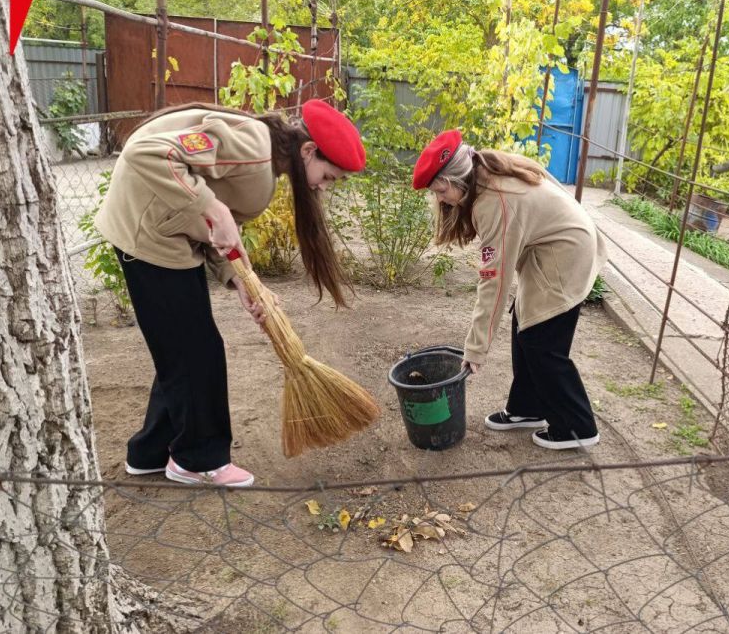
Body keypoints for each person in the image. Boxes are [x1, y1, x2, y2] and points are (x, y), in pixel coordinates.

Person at [94, 100, 365, 486]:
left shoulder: (262, 165)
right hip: (148, 237)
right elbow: (147, 153)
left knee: (182, 348)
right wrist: (213, 209)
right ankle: (198, 459)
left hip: (170, 237)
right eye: (329, 176)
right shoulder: (254, 150)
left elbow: (218, 234)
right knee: (197, 350)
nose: (324, 186)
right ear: (308, 151)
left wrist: (242, 281)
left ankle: (151, 451)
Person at [412, 130, 608, 450]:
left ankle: (576, 426)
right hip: (551, 247)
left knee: (542, 342)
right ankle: (527, 409)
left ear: (455, 179)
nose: (440, 200)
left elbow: (495, 281)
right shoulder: (484, 167)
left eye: (440, 191)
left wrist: (475, 349)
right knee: (525, 324)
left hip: (568, 252)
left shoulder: (494, 202)